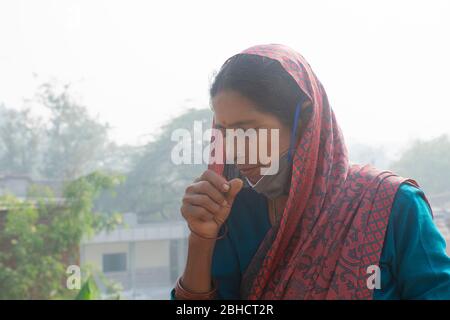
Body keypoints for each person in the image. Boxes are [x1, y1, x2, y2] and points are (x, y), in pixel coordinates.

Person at [172, 44, 450, 299]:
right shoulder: (232, 213)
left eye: (249, 131)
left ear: (303, 121)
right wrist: (201, 238)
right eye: (224, 133)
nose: (235, 150)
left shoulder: (392, 206)